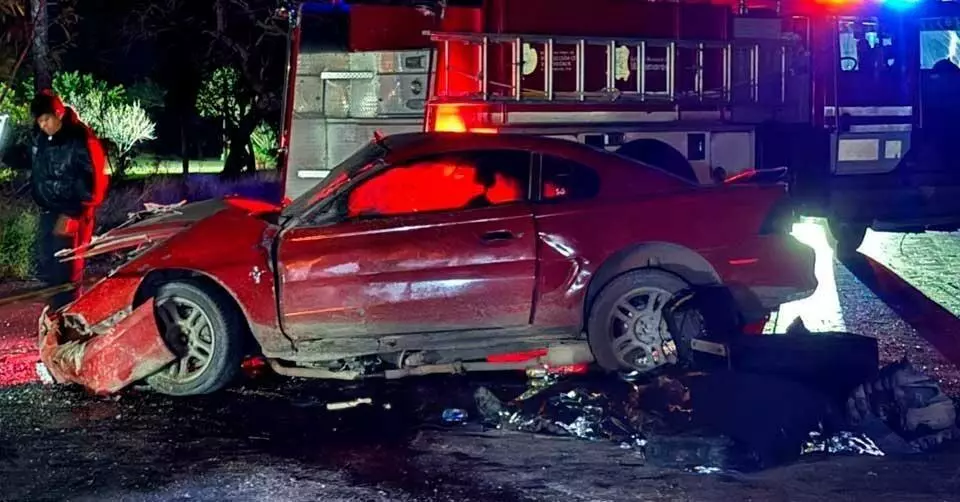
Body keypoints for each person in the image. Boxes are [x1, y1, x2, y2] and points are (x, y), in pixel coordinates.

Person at [29, 90, 108, 309]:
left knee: (68, 268)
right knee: (49, 266)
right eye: (40, 121)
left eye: (46, 119)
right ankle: (57, 315)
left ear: (59, 113)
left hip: (74, 212)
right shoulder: (43, 139)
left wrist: (74, 212)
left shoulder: (80, 138)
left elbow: (94, 180)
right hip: (50, 210)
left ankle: (70, 316)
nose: (43, 125)